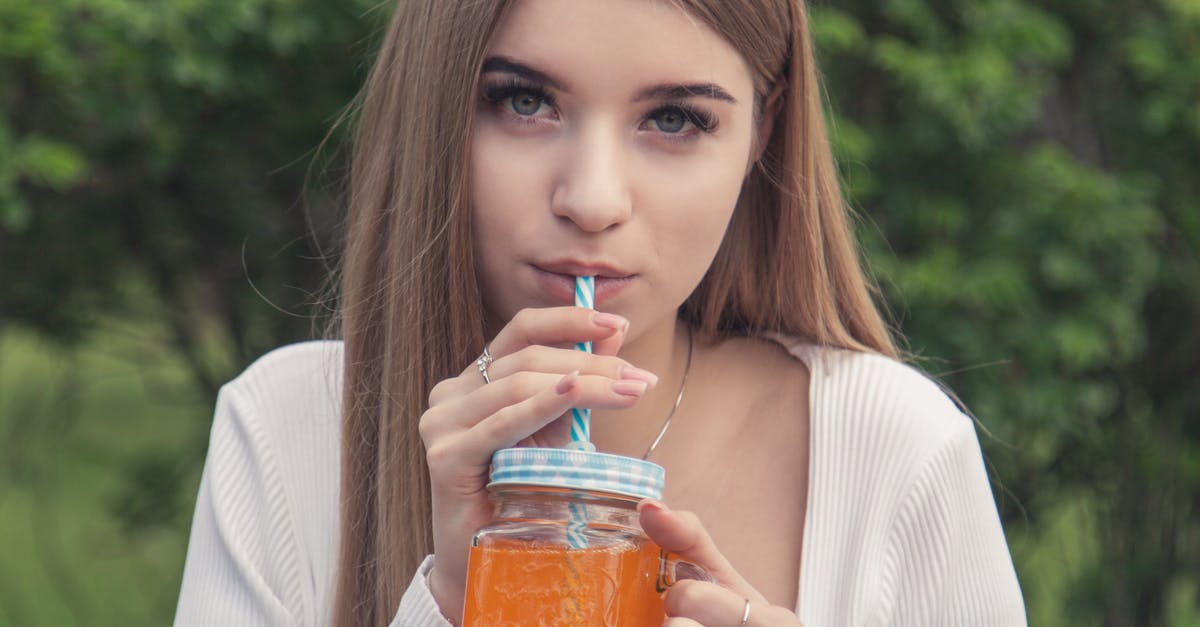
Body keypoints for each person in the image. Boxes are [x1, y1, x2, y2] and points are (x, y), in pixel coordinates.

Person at [174, 0, 1027, 625]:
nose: (591, 199)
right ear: (436, 106)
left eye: (673, 118)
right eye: (523, 100)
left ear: (762, 132)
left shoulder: (894, 452)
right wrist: (447, 602)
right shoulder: (288, 432)